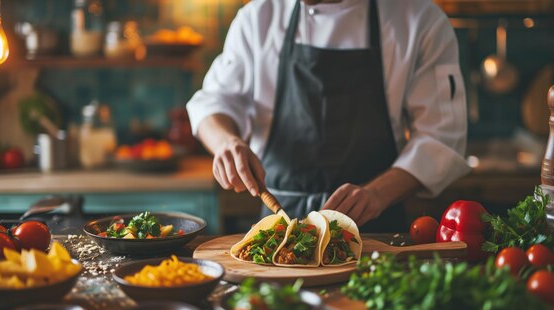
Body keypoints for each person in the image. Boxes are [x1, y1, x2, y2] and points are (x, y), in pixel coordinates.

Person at [187, 0, 470, 232]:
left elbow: (440, 138)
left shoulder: (418, 19)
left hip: (375, 232)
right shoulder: (258, 17)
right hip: (279, 228)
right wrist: (226, 142)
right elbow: (215, 102)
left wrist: (376, 194)